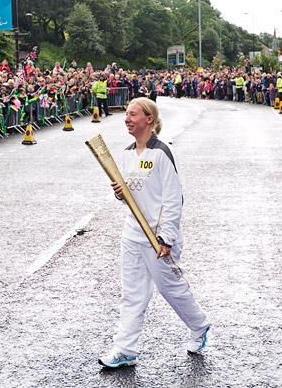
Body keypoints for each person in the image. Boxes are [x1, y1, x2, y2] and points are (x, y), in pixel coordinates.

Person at [99, 97, 210, 368]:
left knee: (170, 289)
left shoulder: (162, 152)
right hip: (132, 234)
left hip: (157, 237)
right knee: (132, 293)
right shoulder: (125, 154)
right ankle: (125, 349)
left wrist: (166, 238)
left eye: (133, 114)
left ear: (149, 119)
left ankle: (199, 326)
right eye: (126, 114)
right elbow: (131, 197)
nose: (127, 119)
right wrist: (120, 194)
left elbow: (173, 198)